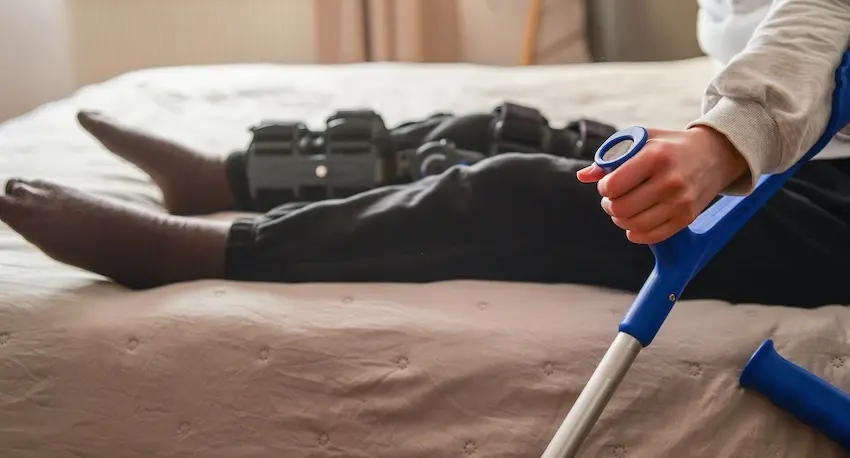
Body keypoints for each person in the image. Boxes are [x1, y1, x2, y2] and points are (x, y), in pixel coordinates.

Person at [1, 0, 849, 307]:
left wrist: (723, 143)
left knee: (521, 191)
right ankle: (228, 178)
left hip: (831, 203)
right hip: (803, 151)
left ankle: (204, 251)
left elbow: (821, 19)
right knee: (499, 129)